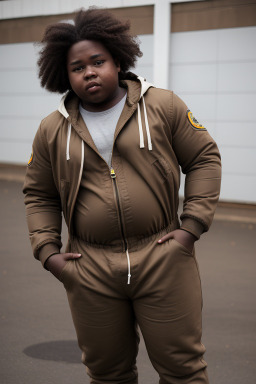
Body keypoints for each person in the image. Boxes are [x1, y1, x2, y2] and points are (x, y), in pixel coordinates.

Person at [23, 7, 221, 384]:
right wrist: (49, 254)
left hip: (164, 258)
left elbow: (204, 158)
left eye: (98, 61)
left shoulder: (162, 106)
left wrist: (190, 228)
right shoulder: (52, 129)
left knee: (183, 370)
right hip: (89, 267)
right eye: (77, 67)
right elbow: (39, 195)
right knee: (107, 374)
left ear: (118, 59)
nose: (89, 72)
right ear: (64, 75)